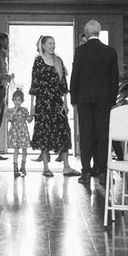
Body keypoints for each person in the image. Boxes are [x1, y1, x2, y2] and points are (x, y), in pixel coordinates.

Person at [70, 18, 121, 184]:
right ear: (98, 32)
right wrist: (113, 99)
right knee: (103, 134)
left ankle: (86, 172)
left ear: (86, 33)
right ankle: (103, 172)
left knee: (86, 134)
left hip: (84, 98)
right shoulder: (110, 51)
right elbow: (114, 78)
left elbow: (75, 75)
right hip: (104, 99)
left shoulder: (80, 51)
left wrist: (73, 97)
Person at [29, 34, 73, 176]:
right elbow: (34, 84)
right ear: (43, 45)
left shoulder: (58, 60)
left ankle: (66, 166)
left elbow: (63, 83)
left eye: (53, 43)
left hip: (57, 102)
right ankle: (46, 168)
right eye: (49, 43)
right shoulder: (38, 61)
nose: (52, 46)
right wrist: (32, 106)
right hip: (42, 103)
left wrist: (65, 103)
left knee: (63, 132)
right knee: (44, 133)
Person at [1, 87, 33, 176]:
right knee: (16, 149)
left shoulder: (24, 110)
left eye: (19, 100)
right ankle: (15, 168)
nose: (17, 102)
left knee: (24, 149)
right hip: (15, 132)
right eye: (15, 100)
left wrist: (31, 116)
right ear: (12, 100)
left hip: (23, 131)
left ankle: (23, 166)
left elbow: (29, 120)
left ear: (22, 101)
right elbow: (10, 119)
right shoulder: (10, 110)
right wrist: (15, 109)